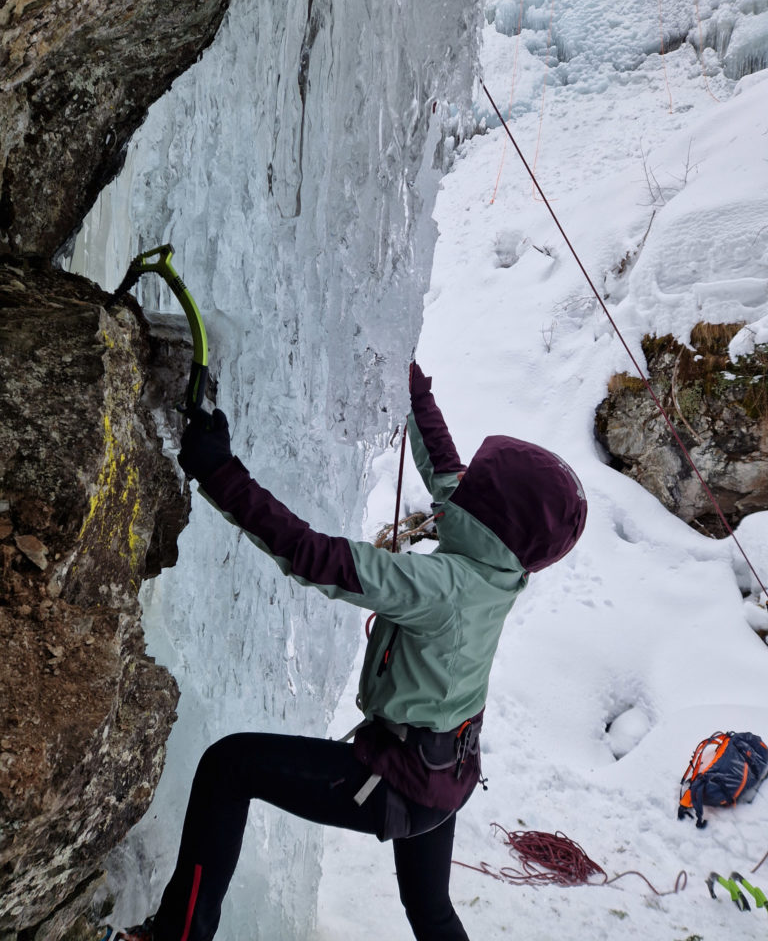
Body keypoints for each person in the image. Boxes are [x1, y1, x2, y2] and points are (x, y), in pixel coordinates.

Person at [104, 362, 587, 941]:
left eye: (480, 485)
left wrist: (220, 473)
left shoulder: (443, 590)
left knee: (228, 767)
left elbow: (316, 557)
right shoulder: (503, 565)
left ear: (492, 515)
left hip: (398, 781)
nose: (465, 487)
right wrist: (416, 393)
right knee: (430, 911)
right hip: (446, 772)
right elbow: (446, 469)